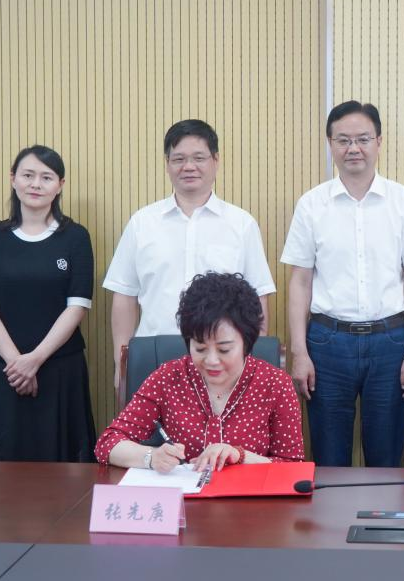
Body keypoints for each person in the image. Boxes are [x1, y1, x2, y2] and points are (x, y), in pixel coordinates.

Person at [281, 100, 404, 467]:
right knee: (329, 456)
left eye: (363, 139)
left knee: (386, 455)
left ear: (379, 142)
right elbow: (300, 283)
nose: (354, 148)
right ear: (330, 144)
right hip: (327, 342)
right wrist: (300, 353)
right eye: (343, 140)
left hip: (390, 342)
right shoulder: (311, 205)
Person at [104, 119, 275, 387]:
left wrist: (252, 367)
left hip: (222, 363)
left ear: (215, 160)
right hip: (154, 357)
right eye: (179, 159)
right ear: (167, 164)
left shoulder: (242, 224)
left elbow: (258, 298)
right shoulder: (142, 223)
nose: (189, 166)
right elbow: (124, 296)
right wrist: (122, 365)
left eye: (199, 158)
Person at [95, 271, 304, 471]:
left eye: (224, 350)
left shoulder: (276, 383)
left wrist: (239, 455)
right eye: (200, 348)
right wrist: (151, 456)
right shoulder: (168, 377)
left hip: (250, 496)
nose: (212, 361)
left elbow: (293, 466)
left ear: (247, 343)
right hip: (185, 495)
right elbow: (108, 443)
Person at [0, 145, 96, 462]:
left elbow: (77, 306)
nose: (36, 184)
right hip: (2, 369)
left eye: (46, 177)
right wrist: (17, 363)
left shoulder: (75, 237)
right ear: (13, 179)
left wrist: (35, 360)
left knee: (61, 467)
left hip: (59, 368)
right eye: (28, 175)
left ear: (60, 185)